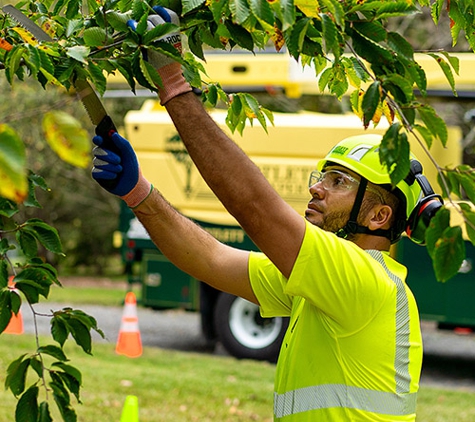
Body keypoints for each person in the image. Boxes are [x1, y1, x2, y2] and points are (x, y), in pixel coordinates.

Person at [91, 7, 427, 421]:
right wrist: (138, 192)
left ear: (378, 217)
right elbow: (211, 259)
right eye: (322, 177)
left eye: (338, 182)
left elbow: (255, 207)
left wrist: (174, 84)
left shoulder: (364, 280)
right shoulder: (327, 285)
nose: (315, 188)